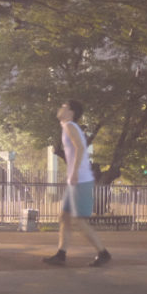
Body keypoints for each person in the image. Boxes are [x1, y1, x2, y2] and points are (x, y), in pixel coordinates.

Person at [43, 100, 111, 267]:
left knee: (79, 221)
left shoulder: (70, 126)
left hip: (80, 180)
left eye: (64, 107)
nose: (60, 108)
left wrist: (74, 172)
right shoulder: (67, 126)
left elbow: (80, 148)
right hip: (75, 180)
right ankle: (61, 255)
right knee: (64, 217)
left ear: (71, 112)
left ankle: (103, 253)